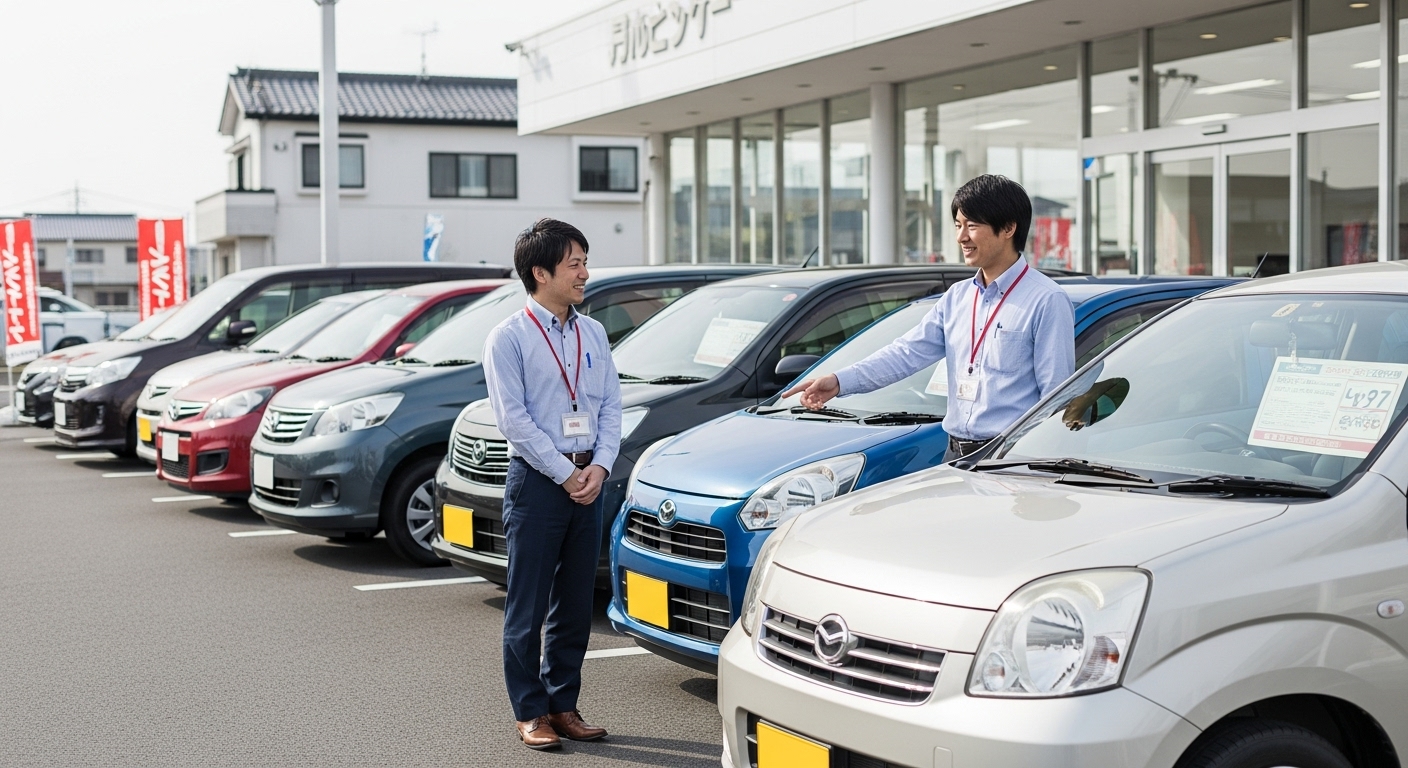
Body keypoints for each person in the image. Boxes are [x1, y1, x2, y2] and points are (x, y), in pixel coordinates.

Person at [783, 174, 1075, 462]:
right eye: (958, 225)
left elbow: (1056, 397)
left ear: (1009, 228)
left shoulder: (1046, 300)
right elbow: (905, 354)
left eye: (972, 226)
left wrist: (1034, 465)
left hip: (1010, 459)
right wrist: (839, 381)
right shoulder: (957, 297)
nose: (961, 237)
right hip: (953, 455)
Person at [483, 218, 622, 751]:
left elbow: (610, 404)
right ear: (540, 272)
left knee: (573, 600)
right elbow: (513, 420)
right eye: (575, 264)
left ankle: (564, 704)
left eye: (585, 261)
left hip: (590, 478)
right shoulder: (509, 337)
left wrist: (600, 468)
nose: (585, 272)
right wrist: (566, 473)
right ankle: (530, 710)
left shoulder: (593, 332)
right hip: (540, 482)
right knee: (528, 603)